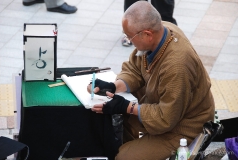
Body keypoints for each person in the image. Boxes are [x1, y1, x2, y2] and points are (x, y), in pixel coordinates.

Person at [87, 1, 215, 160]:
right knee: (111, 134)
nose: (128, 40)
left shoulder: (177, 64)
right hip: (162, 109)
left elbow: (166, 118)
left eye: (129, 36)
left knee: (122, 157)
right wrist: (114, 86)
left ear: (147, 34)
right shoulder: (161, 30)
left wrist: (128, 106)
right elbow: (135, 69)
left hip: (184, 126)